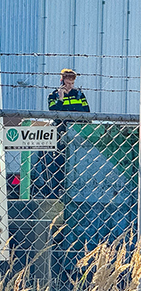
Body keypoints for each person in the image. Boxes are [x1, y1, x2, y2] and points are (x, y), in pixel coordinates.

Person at [43, 68, 89, 198]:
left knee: (77, 163)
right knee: (59, 163)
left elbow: (87, 113)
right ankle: (57, 192)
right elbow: (53, 112)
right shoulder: (53, 96)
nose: (70, 86)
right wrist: (61, 98)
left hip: (77, 134)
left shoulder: (79, 95)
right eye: (67, 83)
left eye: (72, 84)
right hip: (61, 134)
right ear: (62, 81)